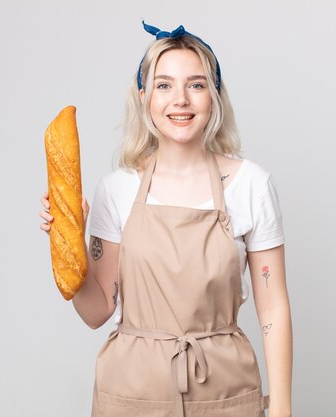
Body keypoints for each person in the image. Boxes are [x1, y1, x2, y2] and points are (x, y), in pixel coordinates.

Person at [39, 21, 292, 417]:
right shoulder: (117, 189)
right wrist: (66, 237)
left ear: (214, 96)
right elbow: (95, 311)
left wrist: (282, 409)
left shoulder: (251, 186)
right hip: (131, 396)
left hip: (225, 394)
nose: (180, 100)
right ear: (143, 97)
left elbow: (273, 307)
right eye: (163, 85)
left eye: (196, 84)